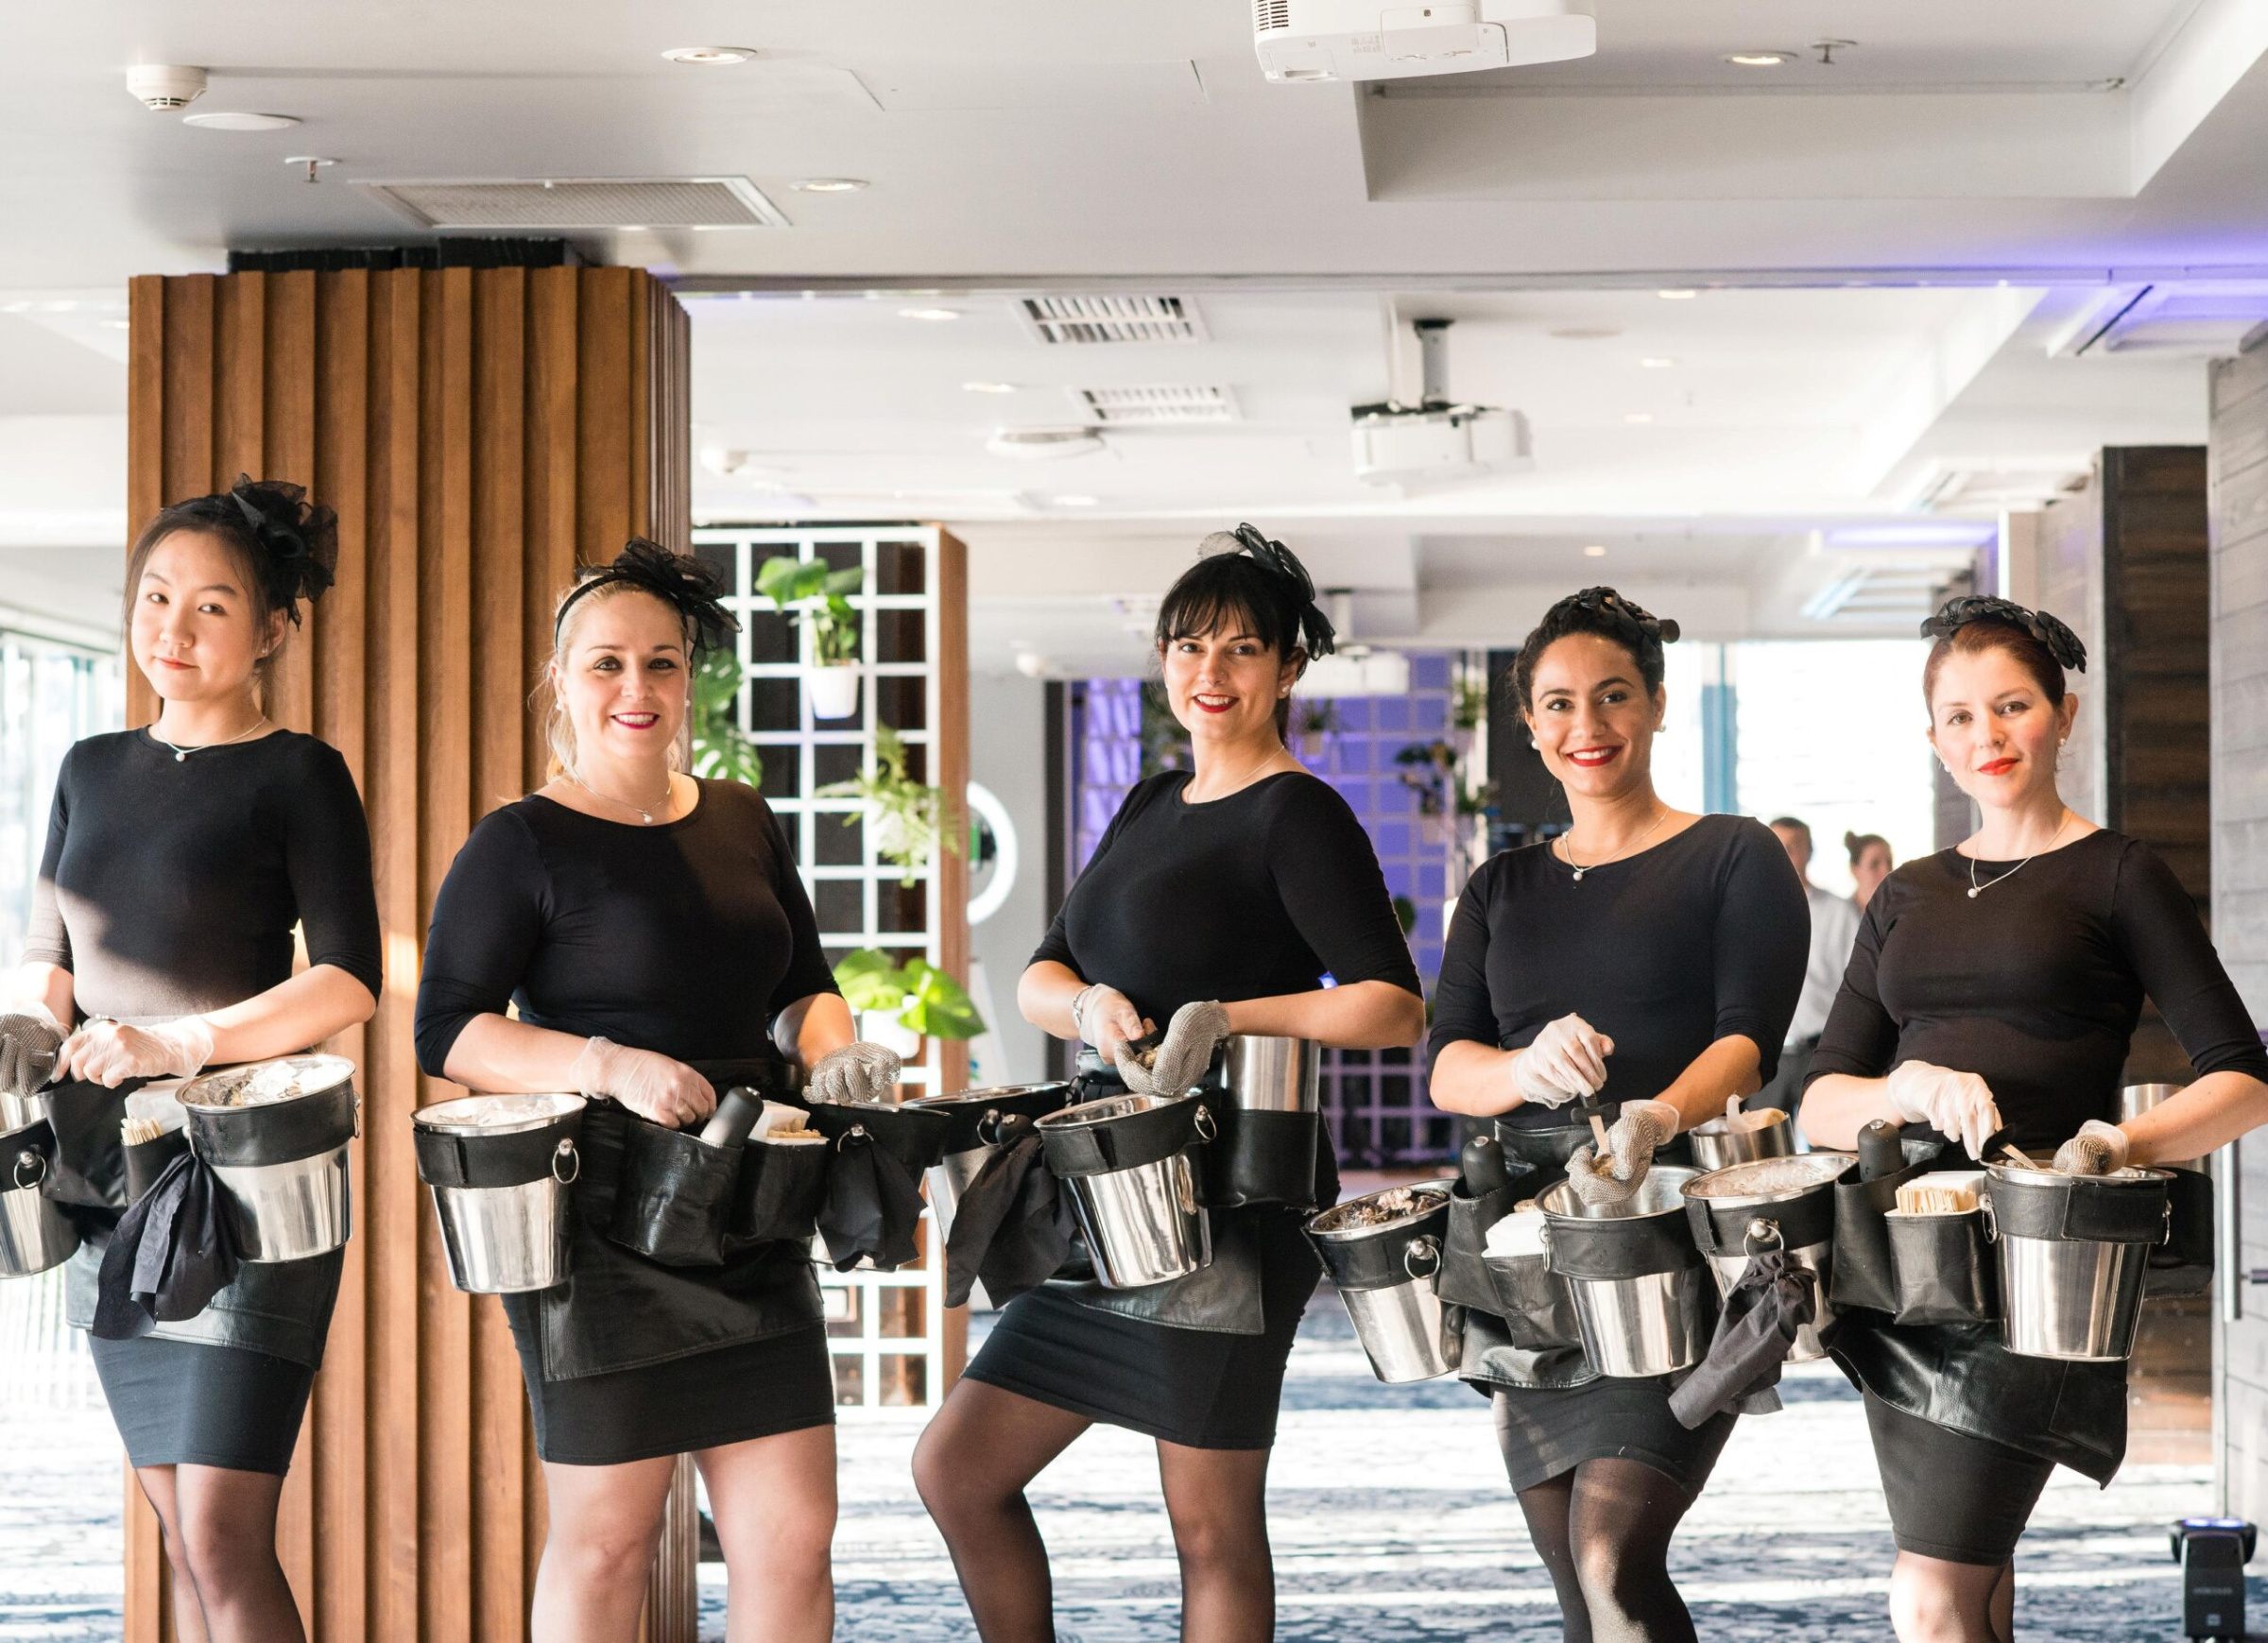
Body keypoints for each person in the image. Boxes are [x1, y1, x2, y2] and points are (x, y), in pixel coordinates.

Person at [912, 523, 1425, 1643]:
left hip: (1230, 1202)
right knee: (956, 1469)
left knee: (1207, 1522)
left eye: (1243, 649)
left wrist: (1227, 1017)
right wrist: (1090, 1006)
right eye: (1189, 645)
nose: (1211, 672)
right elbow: (1047, 967)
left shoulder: (1300, 813)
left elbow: (1392, 1003)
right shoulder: (1149, 804)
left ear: (1288, 668)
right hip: (1103, 1195)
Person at [413, 541, 901, 1643]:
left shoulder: (741, 816)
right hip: (603, 1225)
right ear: (562, 679)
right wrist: (604, 1063)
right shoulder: (518, 841)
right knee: (608, 1541)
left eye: (662, 664)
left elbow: (802, 986)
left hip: (753, 1203)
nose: (637, 689)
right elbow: (449, 1028)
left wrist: (837, 1051)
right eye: (607, 664)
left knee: (791, 1535)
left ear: (690, 680)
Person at [1800, 594, 2268, 1643]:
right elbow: (1824, 1098)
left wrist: (2115, 1145)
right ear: (1933, 740)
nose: (1988, 735)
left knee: (1928, 1595)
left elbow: (2244, 1077)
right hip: (1906, 1271)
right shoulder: (1906, 892)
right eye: (1960, 716)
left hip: (2041, 1266)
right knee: (1973, 1578)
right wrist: (1908, 1085)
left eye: (2011, 705)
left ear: (2063, 711)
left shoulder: (2117, 873)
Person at [0, 479, 380, 1643]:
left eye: (211, 605)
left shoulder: (300, 773)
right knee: (174, 1526)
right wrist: (20, 1030)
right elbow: (48, 958)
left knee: (220, 1530)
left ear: (270, 628)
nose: (174, 627)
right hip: (107, 1178)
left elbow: (349, 980)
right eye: (157, 596)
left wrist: (177, 1042)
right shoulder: (87, 766)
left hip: (245, 1181)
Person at [1428, 587, 1808, 1643]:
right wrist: (1519, 1065)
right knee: (1572, 1569)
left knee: (1613, 1551)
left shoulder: (1734, 853)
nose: (1585, 727)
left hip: (1677, 1229)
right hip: (1531, 1253)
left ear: (1656, 703)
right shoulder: (1498, 884)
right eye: (1557, 704)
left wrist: (1652, 1116)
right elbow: (1447, 1067)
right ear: (1531, 724)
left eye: (1611, 697)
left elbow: (1748, 1038)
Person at [1754, 815, 1862, 1121]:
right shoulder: (1749, 912)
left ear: (1810, 851)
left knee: (1831, 1147)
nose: (1785, 854)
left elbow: (1856, 986)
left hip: (1821, 1052)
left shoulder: (1838, 912)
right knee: (1761, 1156)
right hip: (1767, 1056)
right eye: (1778, 846)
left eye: (1794, 846)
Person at [1847, 830, 1894, 912]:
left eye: (1889, 863)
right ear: (1854, 870)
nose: (1887, 872)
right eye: (1874, 864)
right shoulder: (1839, 916)